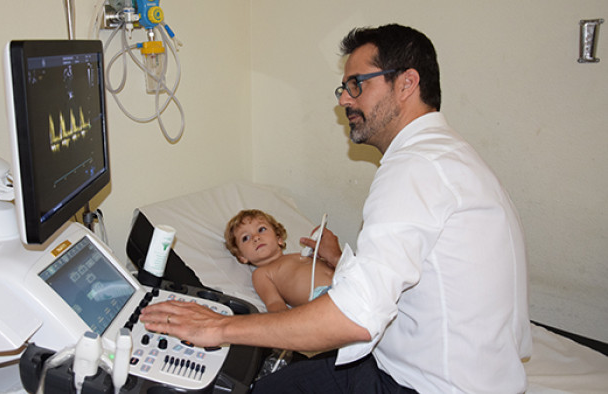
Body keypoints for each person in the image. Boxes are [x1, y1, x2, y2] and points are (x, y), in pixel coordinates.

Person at [141, 24, 532, 393]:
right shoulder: (448, 156)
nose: (345, 99)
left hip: (425, 384)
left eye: (356, 85)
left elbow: (354, 318)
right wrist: (342, 259)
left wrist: (220, 329)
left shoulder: (414, 169)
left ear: (407, 83)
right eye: (344, 88)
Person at [224, 209, 334, 312]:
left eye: (261, 229)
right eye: (246, 238)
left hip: (345, 280)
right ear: (242, 256)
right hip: (323, 302)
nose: (256, 237)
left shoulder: (301, 255)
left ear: (279, 239)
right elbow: (274, 303)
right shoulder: (262, 274)